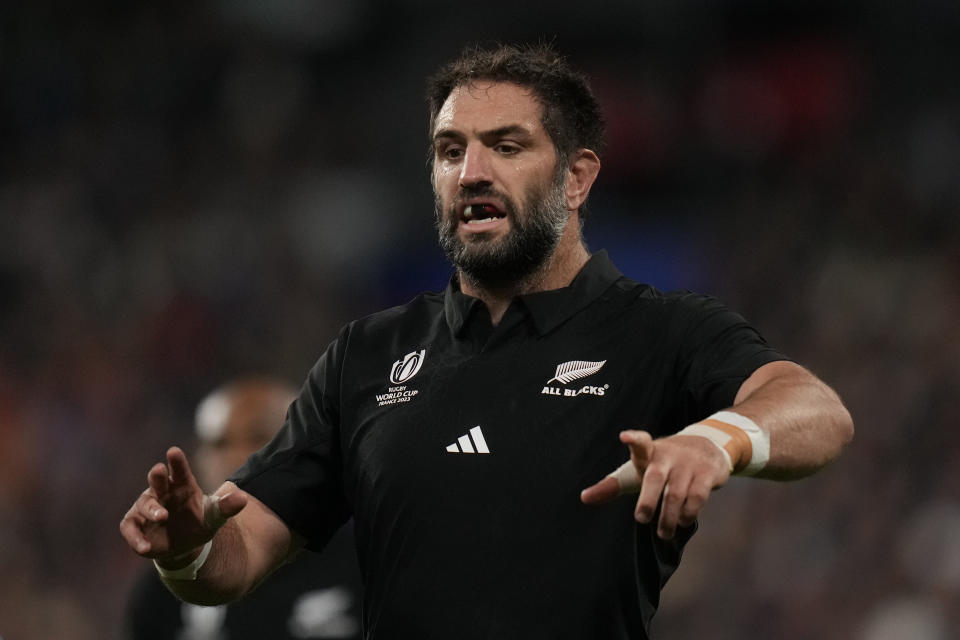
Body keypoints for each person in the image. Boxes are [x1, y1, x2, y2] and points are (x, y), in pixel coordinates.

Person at [120, 43, 854, 639]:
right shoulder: (367, 355)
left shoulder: (660, 331)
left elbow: (815, 411)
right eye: (449, 151)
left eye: (506, 146)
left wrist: (716, 440)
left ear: (576, 178)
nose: (471, 172)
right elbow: (237, 558)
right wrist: (188, 550)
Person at [123, 378, 362, 640]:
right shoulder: (169, 586)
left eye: (258, 437)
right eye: (220, 444)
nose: (237, 456)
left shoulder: (364, 558)